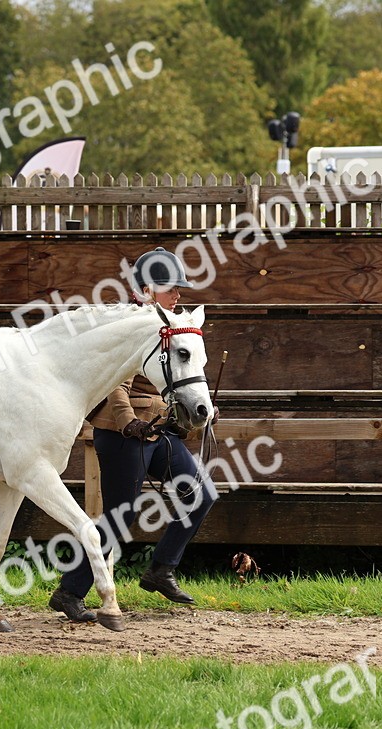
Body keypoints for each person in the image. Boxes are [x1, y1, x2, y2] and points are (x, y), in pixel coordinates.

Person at [49, 246, 217, 623]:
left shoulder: (170, 327)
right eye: (170, 288)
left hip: (157, 432)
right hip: (123, 434)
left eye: (179, 288)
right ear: (145, 290)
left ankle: (161, 570)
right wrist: (128, 421)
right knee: (119, 517)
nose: (178, 295)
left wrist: (197, 407)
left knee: (201, 493)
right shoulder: (128, 327)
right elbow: (116, 386)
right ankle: (69, 592)